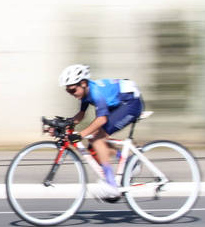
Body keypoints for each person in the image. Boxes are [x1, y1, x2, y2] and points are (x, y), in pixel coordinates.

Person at [58, 64, 143, 199]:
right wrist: (63, 124)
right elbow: (80, 115)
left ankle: (111, 185)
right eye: (68, 91)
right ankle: (129, 162)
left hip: (131, 104)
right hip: (121, 102)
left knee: (97, 139)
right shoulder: (85, 93)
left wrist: (80, 135)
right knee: (95, 140)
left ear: (83, 83)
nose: (71, 94)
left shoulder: (96, 92)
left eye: (73, 90)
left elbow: (102, 119)